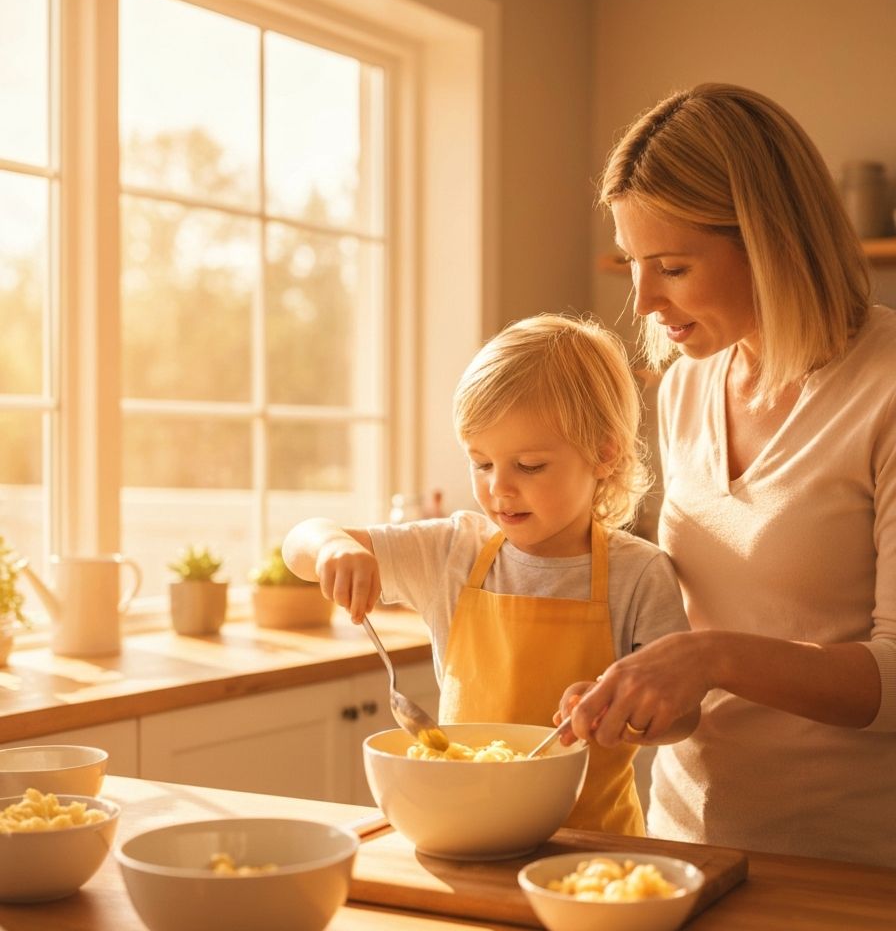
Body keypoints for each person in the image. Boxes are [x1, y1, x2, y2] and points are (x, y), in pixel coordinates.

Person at [558, 83, 896, 868]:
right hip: (682, 845)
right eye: (632, 264)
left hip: (844, 860)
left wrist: (712, 658)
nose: (644, 299)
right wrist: (646, 692)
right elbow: (701, 638)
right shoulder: (688, 384)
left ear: (771, 240)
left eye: (674, 266)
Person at [282, 314, 694, 836]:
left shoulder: (639, 574)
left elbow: (683, 717)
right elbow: (299, 541)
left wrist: (627, 711)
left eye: (528, 465)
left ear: (604, 454)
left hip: (594, 845)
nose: (500, 489)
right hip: (464, 829)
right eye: (481, 464)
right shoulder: (452, 552)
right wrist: (332, 548)